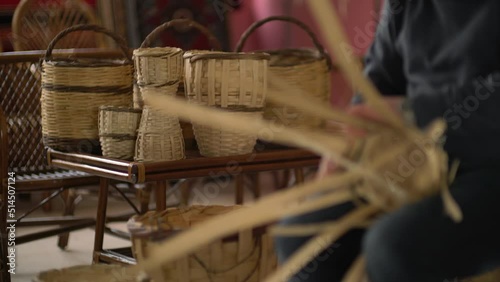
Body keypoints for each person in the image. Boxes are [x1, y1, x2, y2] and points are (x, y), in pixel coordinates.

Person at [274, 1, 500, 281]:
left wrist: (413, 112)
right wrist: (349, 152)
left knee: (393, 247)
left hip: (490, 160)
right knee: (303, 237)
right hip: (418, 160)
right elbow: (378, 83)